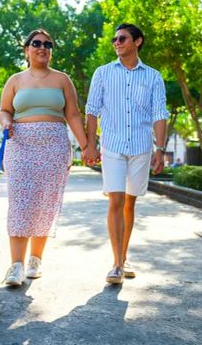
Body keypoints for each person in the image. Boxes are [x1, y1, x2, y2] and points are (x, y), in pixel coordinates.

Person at [0, 28, 88, 286]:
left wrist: (87, 147)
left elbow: (72, 115)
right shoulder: (15, 80)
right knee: (21, 203)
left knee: (45, 203)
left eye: (48, 44)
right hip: (21, 144)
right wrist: (6, 123)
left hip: (54, 146)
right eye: (36, 43)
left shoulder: (62, 80)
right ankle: (15, 266)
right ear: (26, 50)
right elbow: (4, 110)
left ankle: (35, 260)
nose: (42, 48)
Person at [83, 23, 168, 285]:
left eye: (122, 38)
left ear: (138, 42)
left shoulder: (153, 77)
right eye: (114, 40)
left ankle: (124, 255)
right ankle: (117, 264)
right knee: (115, 201)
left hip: (141, 147)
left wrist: (160, 149)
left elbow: (159, 114)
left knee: (130, 203)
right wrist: (90, 144)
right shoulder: (103, 73)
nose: (117, 43)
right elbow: (92, 110)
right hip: (113, 147)